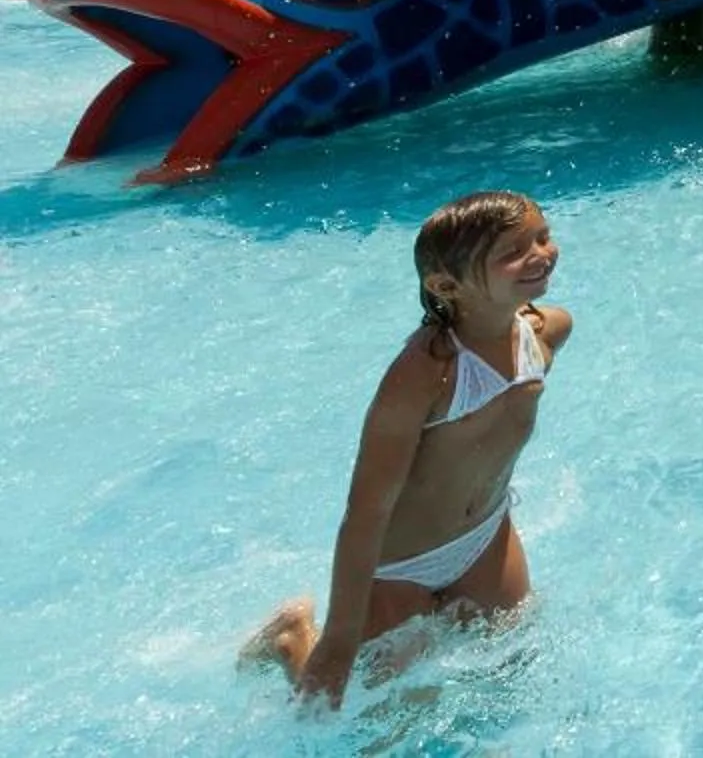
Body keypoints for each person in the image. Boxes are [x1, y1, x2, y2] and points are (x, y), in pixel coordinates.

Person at [241, 190, 570, 708]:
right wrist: (340, 637)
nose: (541, 253)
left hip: (486, 536)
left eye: (543, 237)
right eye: (514, 251)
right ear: (446, 286)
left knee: (512, 666)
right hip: (401, 563)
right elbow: (366, 511)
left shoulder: (545, 333)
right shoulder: (423, 374)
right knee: (367, 715)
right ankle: (293, 637)